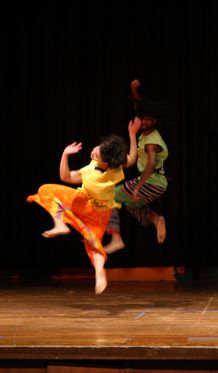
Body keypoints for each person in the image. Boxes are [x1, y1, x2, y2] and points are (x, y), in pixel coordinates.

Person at [27, 119, 139, 294]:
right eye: (97, 148)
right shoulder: (116, 168)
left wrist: (65, 154)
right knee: (94, 245)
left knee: (45, 190)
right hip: (102, 212)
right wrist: (132, 134)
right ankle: (99, 272)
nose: (93, 151)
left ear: (106, 161)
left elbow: (65, 177)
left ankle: (59, 224)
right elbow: (131, 159)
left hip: (82, 202)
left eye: (97, 153)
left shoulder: (89, 172)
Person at [104, 79, 169, 254]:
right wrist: (134, 91)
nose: (145, 122)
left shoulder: (151, 142)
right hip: (154, 181)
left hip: (152, 180)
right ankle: (156, 219)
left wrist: (138, 187)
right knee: (132, 206)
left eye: (149, 119)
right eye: (143, 118)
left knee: (110, 195)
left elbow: (151, 165)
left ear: (154, 121)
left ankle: (116, 239)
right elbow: (139, 108)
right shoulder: (144, 131)